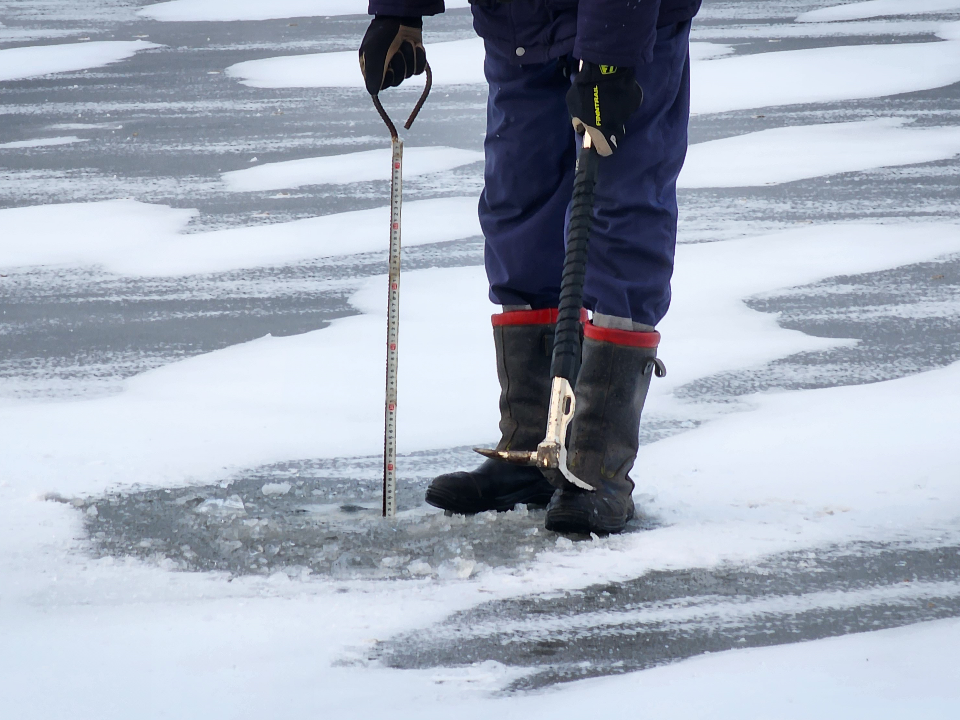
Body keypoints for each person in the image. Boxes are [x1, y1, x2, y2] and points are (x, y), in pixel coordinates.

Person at [359, 0, 701, 535]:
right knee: (519, 208)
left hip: (628, 28)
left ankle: (596, 460)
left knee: (618, 213)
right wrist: (400, 10)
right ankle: (529, 445)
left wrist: (611, 59)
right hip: (519, 22)